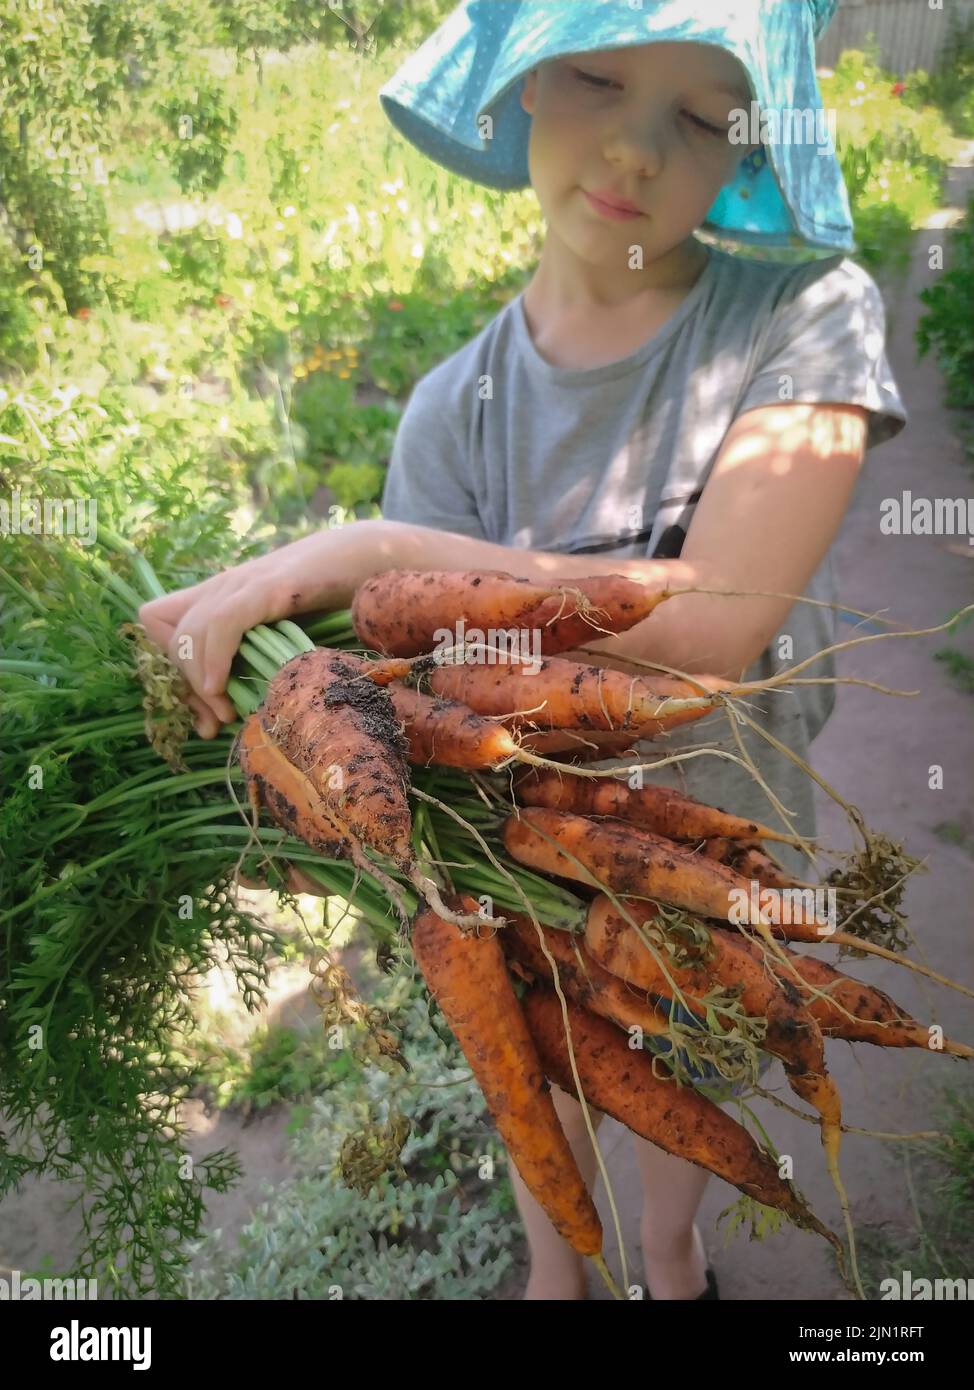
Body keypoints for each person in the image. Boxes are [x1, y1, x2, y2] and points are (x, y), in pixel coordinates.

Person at [139, 0, 907, 1301]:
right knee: (530, 1042)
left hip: (721, 810)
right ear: (518, 86)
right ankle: (555, 1265)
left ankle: (668, 1247)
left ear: (749, 147)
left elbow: (720, 621)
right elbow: (420, 681)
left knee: (689, 1045)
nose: (633, 153)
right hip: (516, 827)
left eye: (701, 118)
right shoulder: (451, 407)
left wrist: (381, 551)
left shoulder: (802, 316)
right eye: (597, 81)